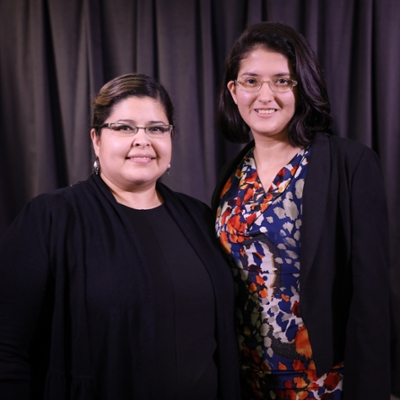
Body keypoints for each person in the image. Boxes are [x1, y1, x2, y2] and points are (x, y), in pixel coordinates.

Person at [0, 73, 241, 399]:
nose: (142, 140)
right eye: (124, 127)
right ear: (96, 139)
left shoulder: (199, 218)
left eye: (157, 128)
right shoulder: (51, 218)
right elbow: (6, 347)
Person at [212, 21, 391, 400]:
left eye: (282, 81)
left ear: (302, 87)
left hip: (325, 385)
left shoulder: (350, 163)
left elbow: (371, 297)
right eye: (251, 81)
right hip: (246, 383)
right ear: (233, 90)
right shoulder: (231, 176)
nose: (266, 95)